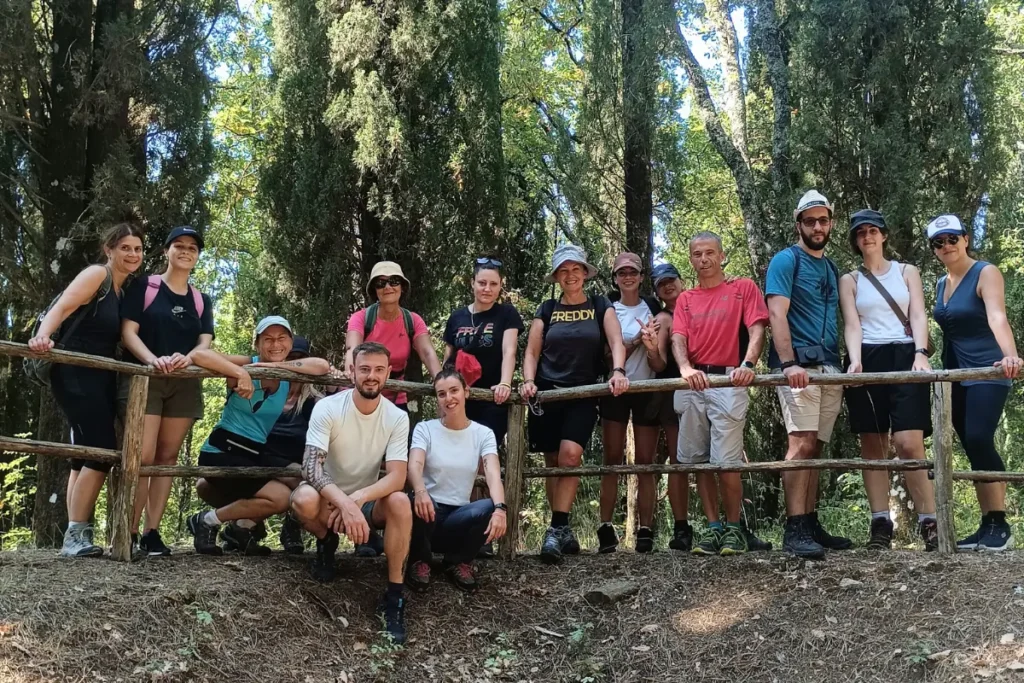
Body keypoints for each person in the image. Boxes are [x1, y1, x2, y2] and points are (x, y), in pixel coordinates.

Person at [28, 223, 145, 558]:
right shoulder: (98, 275)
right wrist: (43, 337)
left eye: (137, 249)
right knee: (101, 448)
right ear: (108, 249)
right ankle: (76, 534)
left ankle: (76, 534)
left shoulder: (124, 291)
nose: (132, 255)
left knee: (84, 452)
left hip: (101, 375)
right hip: (75, 371)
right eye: (125, 248)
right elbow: (64, 305)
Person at [290, 342, 412, 644]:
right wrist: (343, 502)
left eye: (379, 370)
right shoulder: (328, 408)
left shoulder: (396, 417)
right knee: (302, 499)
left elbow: (397, 476)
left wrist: (359, 499)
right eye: (365, 369)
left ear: (388, 373)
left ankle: (394, 596)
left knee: (399, 501)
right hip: (327, 497)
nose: (372, 376)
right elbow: (311, 467)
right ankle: (326, 541)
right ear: (352, 371)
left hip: (366, 501)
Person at [519, 244, 629, 564]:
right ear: (557, 276)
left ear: (585, 272)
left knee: (570, 456)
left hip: (583, 392)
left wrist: (618, 371)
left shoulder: (599, 304)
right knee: (553, 462)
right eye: (563, 270)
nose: (570, 275)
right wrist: (528, 380)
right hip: (547, 392)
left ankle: (555, 528)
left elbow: (615, 341)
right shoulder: (546, 309)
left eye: (576, 269)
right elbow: (532, 352)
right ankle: (563, 530)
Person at [186, 317, 331, 556]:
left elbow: (322, 366)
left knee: (290, 487)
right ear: (257, 344)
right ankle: (208, 521)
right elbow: (199, 356)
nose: (275, 344)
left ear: (290, 342)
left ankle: (229, 526)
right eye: (268, 339)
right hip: (222, 451)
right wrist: (239, 373)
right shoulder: (246, 364)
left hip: (252, 455)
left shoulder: (286, 375)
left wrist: (274, 367)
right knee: (281, 497)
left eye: (281, 338)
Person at [839, 209, 938, 550]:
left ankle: (930, 521)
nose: (867, 236)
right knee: (873, 444)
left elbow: (917, 313)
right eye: (860, 232)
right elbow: (853, 324)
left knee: (909, 442)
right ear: (855, 240)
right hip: (868, 356)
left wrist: (921, 352)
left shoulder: (907, 271)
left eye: (873, 230)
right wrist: (854, 361)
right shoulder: (850, 280)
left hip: (906, 354)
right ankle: (881, 522)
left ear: (883, 235)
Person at [765, 191, 853, 559]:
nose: (817, 227)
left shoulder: (831, 268)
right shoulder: (786, 261)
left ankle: (811, 521)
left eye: (823, 220)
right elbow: (776, 313)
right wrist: (789, 364)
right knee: (800, 443)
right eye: (810, 221)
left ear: (831, 222)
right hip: (798, 366)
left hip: (829, 365)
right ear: (798, 224)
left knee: (816, 445)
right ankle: (795, 526)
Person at [672, 232, 769, 556]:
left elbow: (757, 328)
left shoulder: (741, 289)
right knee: (697, 461)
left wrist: (748, 363)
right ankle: (713, 528)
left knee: (727, 461)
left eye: (710, 252)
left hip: (729, 379)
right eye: (697, 254)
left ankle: (733, 528)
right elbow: (678, 337)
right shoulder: (686, 299)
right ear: (691, 259)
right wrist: (685, 368)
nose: (704, 259)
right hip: (694, 379)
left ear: (722, 255)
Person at [120, 226, 214, 556]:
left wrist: (185, 359)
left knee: (167, 458)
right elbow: (128, 332)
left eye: (192, 247)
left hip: (185, 381)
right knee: (142, 456)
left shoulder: (201, 300)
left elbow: (205, 341)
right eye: (179, 245)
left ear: (198, 255)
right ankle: (128, 531)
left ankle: (151, 532)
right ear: (167, 251)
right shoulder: (145, 286)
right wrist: (152, 360)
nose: (186, 251)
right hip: (147, 379)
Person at [929, 214, 1020, 551]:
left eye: (952, 238)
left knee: (981, 437)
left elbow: (997, 315)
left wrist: (1010, 355)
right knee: (970, 445)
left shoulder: (986, 272)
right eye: (938, 243)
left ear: (965, 238)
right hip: (955, 375)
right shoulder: (940, 284)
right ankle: (987, 525)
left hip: (988, 368)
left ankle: (1001, 524)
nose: (946, 246)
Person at [345, 261, 440, 558]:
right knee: (365, 461)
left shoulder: (412, 321)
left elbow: (426, 352)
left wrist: (441, 382)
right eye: (381, 282)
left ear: (403, 287)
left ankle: (398, 531)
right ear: (373, 289)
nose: (388, 286)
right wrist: (352, 365)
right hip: (366, 395)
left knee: (395, 461)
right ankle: (363, 533)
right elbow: (353, 347)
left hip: (396, 398)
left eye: (394, 281)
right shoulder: (362, 317)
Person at [406, 368, 507, 592]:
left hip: (457, 518)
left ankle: (458, 561)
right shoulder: (425, 429)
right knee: (415, 500)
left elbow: (492, 472)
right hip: (427, 512)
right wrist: (421, 492)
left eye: (454, 391)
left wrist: (500, 509)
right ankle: (419, 561)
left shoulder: (483, 433)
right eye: (442, 394)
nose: (449, 398)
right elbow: (414, 465)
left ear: (466, 392)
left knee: (489, 507)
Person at [597, 252, 664, 553]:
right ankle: (605, 527)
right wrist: (638, 338)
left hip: (647, 388)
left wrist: (650, 345)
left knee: (645, 462)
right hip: (615, 389)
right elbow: (609, 354)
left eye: (632, 272)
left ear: (640, 276)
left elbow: (660, 360)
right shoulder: (607, 308)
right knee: (612, 458)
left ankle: (645, 530)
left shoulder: (653, 307)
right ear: (615, 277)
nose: (627, 277)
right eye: (621, 272)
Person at [442, 256, 524, 446]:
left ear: (500, 286)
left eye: (493, 284)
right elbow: (448, 356)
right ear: (473, 283)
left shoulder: (507, 314)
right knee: (455, 452)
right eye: (482, 283)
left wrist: (504, 382)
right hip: (458, 398)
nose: (487, 289)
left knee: (482, 455)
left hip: (491, 399)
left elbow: (509, 350)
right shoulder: (456, 317)